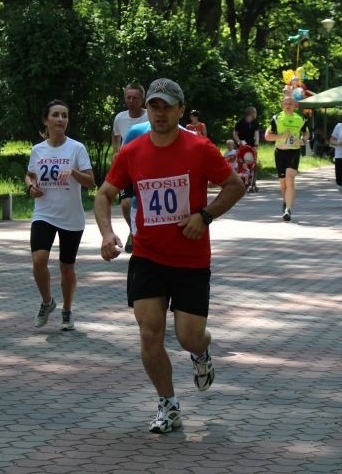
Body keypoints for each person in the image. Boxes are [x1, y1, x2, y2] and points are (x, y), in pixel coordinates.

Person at [93, 78, 245, 433]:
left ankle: (201, 352)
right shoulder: (132, 151)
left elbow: (234, 186)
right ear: (147, 109)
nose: (159, 113)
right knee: (150, 333)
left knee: (189, 336)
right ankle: (168, 404)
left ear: (180, 109)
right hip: (148, 256)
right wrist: (106, 232)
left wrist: (205, 215)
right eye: (154, 106)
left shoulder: (200, 148)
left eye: (166, 106)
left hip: (191, 259)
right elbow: (104, 195)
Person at [26, 100, 95, 331]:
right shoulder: (38, 150)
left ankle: (67, 310)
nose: (60, 119)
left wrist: (73, 172)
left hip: (71, 217)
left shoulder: (77, 148)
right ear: (46, 120)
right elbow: (30, 175)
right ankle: (47, 302)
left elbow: (90, 182)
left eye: (64, 115)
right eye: (55, 115)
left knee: (67, 267)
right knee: (38, 261)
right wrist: (30, 186)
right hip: (44, 213)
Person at [112, 84, 148, 253]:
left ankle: (145, 232)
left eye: (135, 98)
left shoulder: (150, 117)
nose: (131, 101)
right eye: (128, 97)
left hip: (147, 166)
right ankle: (133, 231)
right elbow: (115, 135)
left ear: (142, 99)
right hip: (127, 165)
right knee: (126, 204)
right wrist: (116, 152)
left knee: (143, 203)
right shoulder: (120, 118)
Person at [265, 95, 309, 221]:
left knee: (290, 179)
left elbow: (306, 133)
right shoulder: (276, 118)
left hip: (293, 152)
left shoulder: (300, 119)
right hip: (280, 152)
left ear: (295, 105)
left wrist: (302, 140)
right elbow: (268, 136)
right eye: (286, 103)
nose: (288, 105)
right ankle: (285, 203)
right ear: (282, 105)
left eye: (291, 103)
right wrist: (281, 136)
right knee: (283, 183)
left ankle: (288, 210)